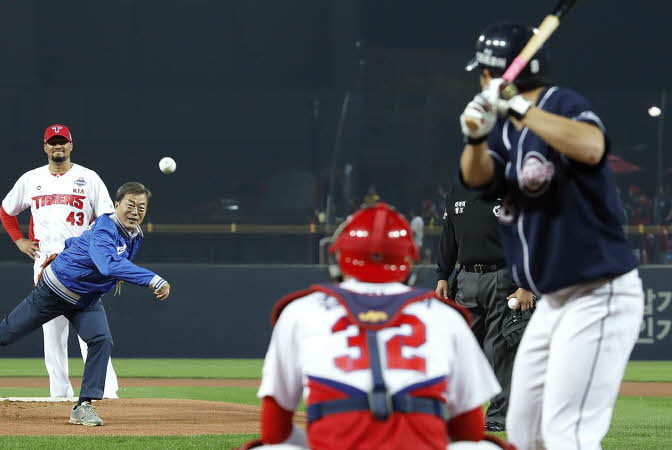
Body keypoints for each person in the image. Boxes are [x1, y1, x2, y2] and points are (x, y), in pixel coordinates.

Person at [459, 23, 644, 449]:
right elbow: (477, 180)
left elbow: (592, 146)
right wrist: (476, 137)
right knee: (527, 434)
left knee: (568, 435)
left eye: (482, 73)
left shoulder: (562, 103)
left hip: (598, 294)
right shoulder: (504, 128)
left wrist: (518, 107)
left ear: (493, 74)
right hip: (552, 302)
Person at [240, 203, 503, 450]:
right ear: (409, 264)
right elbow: (468, 430)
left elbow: (275, 429)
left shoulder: (300, 311)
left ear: (338, 260)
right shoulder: (446, 316)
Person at [0, 182, 171, 426]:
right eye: (130, 205)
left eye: (141, 207)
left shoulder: (134, 235)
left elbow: (79, 245)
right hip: (54, 291)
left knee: (101, 340)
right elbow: (106, 263)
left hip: (86, 300)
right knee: (4, 334)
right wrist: (153, 279)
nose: (135, 212)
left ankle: (84, 406)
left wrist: (90, 262)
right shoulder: (105, 227)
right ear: (116, 206)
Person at [0, 124, 119, 399]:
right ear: (45, 147)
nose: (57, 147)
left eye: (62, 142)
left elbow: (108, 221)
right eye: (52, 143)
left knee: (92, 334)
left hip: (83, 266)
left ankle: (106, 392)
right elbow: (6, 211)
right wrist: (19, 240)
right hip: (45, 267)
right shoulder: (31, 179)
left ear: (71, 145)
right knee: (52, 336)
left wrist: (108, 260)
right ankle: (59, 394)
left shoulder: (89, 178)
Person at [435, 184, 534, 432]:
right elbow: (448, 236)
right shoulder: (456, 193)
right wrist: (443, 275)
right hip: (465, 278)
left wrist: (526, 285)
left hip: (502, 277)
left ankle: (498, 418)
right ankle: (462, 413)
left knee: (498, 349)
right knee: (461, 349)